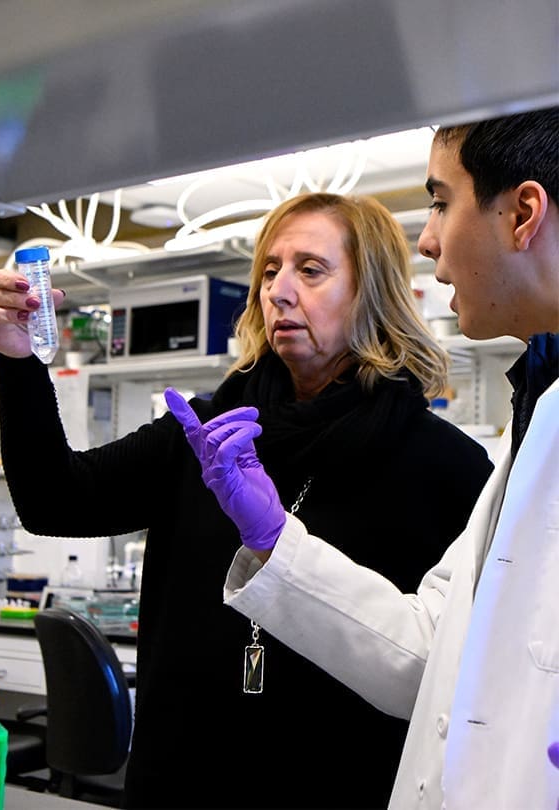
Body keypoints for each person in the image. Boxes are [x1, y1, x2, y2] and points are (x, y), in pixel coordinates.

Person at [0, 193, 494, 810]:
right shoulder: (207, 433)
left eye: (310, 270)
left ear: (370, 290)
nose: (279, 291)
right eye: (270, 270)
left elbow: (454, 673)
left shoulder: (446, 467)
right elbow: (54, 501)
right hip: (180, 784)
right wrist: (20, 363)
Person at [166, 107, 559, 809]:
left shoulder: (446, 457)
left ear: (523, 213)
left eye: (440, 203)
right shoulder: (535, 407)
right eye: (270, 271)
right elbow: (427, 656)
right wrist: (273, 543)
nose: (429, 240)